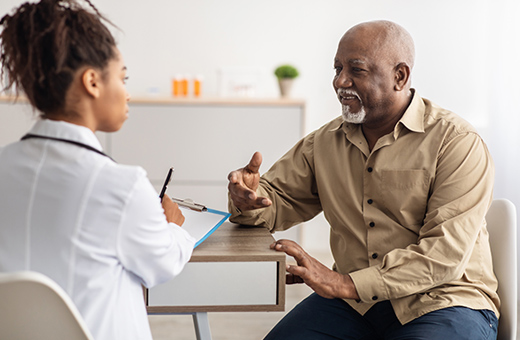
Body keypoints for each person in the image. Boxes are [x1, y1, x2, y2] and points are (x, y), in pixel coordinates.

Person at [228, 20, 499, 340]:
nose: (341, 81)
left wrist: (342, 283)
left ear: (400, 76)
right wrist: (247, 197)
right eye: (337, 68)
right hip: (354, 305)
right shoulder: (324, 142)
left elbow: (443, 255)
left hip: (443, 300)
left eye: (356, 70)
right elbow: (277, 201)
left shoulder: (456, 142)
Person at [0, 1, 195, 339]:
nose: (128, 93)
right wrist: (174, 228)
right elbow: (162, 266)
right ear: (92, 81)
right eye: (123, 77)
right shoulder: (122, 186)